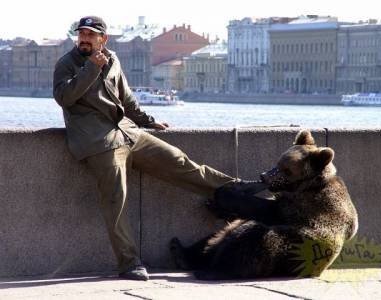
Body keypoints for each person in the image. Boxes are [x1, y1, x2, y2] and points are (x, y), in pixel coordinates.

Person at [53, 16, 263, 281]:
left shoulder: (113, 60)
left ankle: (236, 190)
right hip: (98, 143)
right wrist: (90, 69)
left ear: (103, 39)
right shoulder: (66, 63)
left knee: (179, 161)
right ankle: (129, 264)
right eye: (81, 34)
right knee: (115, 200)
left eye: (91, 35)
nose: (84, 39)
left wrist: (149, 121)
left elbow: (127, 99)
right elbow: (64, 98)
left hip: (127, 132)